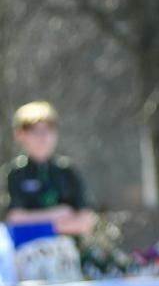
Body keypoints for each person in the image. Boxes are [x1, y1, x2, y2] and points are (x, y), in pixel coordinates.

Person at [4, 101, 98, 236]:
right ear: (20, 134)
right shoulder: (14, 173)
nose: (43, 138)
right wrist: (59, 215)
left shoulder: (67, 171)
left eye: (48, 130)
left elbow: (85, 222)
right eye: (36, 131)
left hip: (66, 245)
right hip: (27, 247)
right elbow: (14, 219)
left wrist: (40, 223)